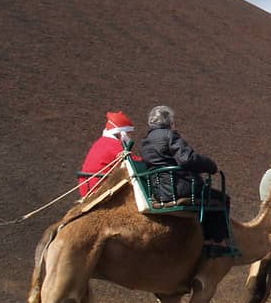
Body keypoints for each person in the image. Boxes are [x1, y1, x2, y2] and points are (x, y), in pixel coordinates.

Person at [140, 105, 233, 251]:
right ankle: (216, 241)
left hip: (159, 191)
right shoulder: (170, 135)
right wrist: (212, 166)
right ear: (169, 121)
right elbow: (187, 159)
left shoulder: (145, 141)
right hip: (180, 188)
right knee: (221, 199)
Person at [79, 110, 137, 197]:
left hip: (87, 185)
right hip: (99, 187)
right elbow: (134, 162)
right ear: (121, 133)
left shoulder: (100, 142)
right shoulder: (114, 145)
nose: (130, 136)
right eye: (129, 133)